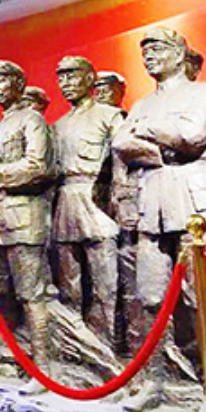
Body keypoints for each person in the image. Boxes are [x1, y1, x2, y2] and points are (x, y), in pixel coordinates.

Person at [112, 27, 206, 407]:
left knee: (204, 298)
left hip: (197, 204)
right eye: (144, 51)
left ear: (179, 54)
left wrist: (145, 132)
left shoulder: (205, 93)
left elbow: (191, 136)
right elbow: (120, 143)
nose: (148, 56)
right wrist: (161, 152)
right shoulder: (142, 104)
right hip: (153, 203)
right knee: (149, 297)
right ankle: (155, 381)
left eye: (157, 48)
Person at [0, 60, 56, 378]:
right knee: (4, 291)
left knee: (32, 295)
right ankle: (16, 357)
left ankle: (43, 368)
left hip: (25, 217)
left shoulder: (32, 119)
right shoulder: (2, 125)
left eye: (2, 80)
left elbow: (37, 167)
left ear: (18, 84)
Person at [52, 55, 122, 350]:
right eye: (61, 77)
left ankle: (110, 343)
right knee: (69, 284)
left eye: (72, 75)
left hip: (97, 201)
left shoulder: (110, 115)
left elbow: (121, 162)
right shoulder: (57, 125)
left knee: (106, 282)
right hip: (66, 202)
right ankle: (77, 347)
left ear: (90, 79)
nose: (65, 83)